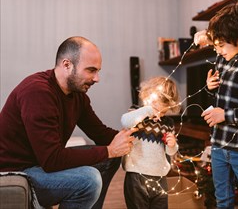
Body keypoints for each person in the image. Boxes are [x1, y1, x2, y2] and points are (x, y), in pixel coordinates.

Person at [0, 36, 137, 209]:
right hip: (17, 171)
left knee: (110, 159)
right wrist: (109, 150)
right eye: (91, 70)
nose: (97, 78)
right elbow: (51, 160)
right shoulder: (37, 92)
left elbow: (100, 133)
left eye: (98, 71)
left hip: (40, 163)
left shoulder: (77, 96)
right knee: (89, 179)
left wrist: (138, 134)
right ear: (67, 65)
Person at [194, 2, 238, 208]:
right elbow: (218, 98)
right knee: (222, 199)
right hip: (218, 144)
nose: (217, 49)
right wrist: (210, 87)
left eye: (221, 45)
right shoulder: (222, 60)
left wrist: (225, 115)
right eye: (215, 45)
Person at [120, 76, 180, 209]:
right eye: (157, 109)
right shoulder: (137, 113)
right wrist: (148, 111)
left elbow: (170, 152)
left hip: (160, 177)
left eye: (164, 111)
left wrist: (172, 145)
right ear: (149, 98)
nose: (160, 114)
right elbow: (125, 121)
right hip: (136, 175)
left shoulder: (168, 123)